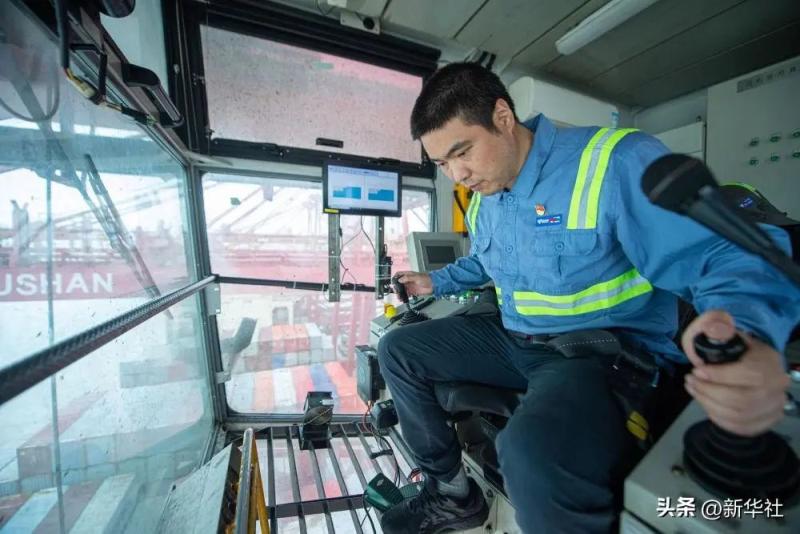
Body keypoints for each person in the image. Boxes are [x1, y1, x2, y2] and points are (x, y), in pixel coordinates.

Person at [377, 63, 800, 533]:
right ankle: (453, 494)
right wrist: (436, 282)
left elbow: (722, 252)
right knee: (396, 348)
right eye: (442, 164)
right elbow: (486, 261)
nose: (458, 175)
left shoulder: (615, 162)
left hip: (595, 349)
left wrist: (750, 336)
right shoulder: (485, 196)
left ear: (502, 117)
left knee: (532, 456)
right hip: (515, 338)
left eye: (463, 152)